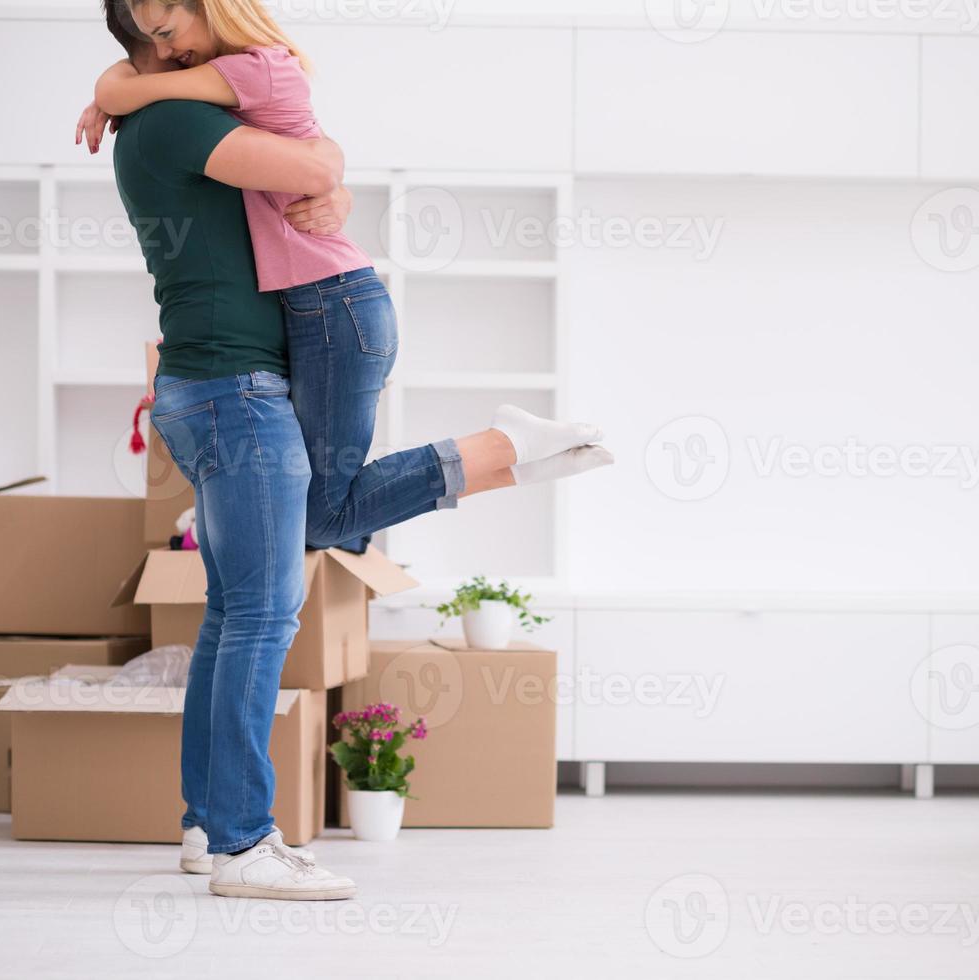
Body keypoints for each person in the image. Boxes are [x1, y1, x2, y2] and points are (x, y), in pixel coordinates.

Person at [83, 0, 610, 901]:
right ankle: (246, 845)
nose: (166, 46)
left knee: (234, 613)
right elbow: (316, 161)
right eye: (152, 38)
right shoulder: (175, 116)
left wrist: (324, 186)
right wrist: (329, 177)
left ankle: (210, 828)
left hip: (213, 387)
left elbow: (306, 178)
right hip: (234, 391)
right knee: (262, 615)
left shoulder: (166, 110)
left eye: (174, 28)